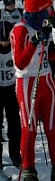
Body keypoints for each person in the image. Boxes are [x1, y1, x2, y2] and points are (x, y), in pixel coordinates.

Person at [11, 0, 55, 181]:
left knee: (53, 128)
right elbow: (20, 61)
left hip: (47, 81)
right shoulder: (21, 29)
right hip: (28, 82)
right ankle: (29, 171)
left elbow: (46, 56)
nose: (49, 13)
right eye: (46, 8)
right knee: (29, 129)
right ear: (36, 10)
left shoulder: (43, 26)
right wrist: (35, 41)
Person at [0, 21, 21, 168]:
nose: (4, 43)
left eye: (6, 39)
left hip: (12, 90)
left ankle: (15, 155)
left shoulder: (15, 48)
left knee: (14, 124)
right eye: (1, 40)